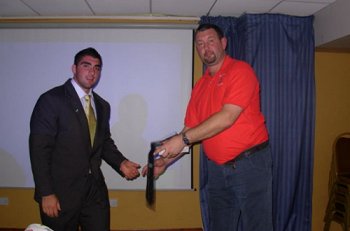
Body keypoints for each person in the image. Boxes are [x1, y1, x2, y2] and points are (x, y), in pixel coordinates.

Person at [142, 24, 273, 231]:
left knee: (258, 226)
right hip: (216, 170)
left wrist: (182, 140)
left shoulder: (240, 70)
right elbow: (189, 131)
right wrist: (167, 161)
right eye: (200, 44)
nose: (206, 48)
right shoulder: (200, 86)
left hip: (249, 166)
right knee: (220, 226)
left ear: (223, 43)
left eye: (211, 41)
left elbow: (227, 117)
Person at [29, 47, 141, 231]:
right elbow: (39, 150)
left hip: (94, 192)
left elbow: (102, 142)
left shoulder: (102, 105)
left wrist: (121, 163)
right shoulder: (51, 100)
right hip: (60, 194)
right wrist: (46, 193)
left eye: (97, 67)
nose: (92, 72)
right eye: (86, 65)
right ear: (74, 68)